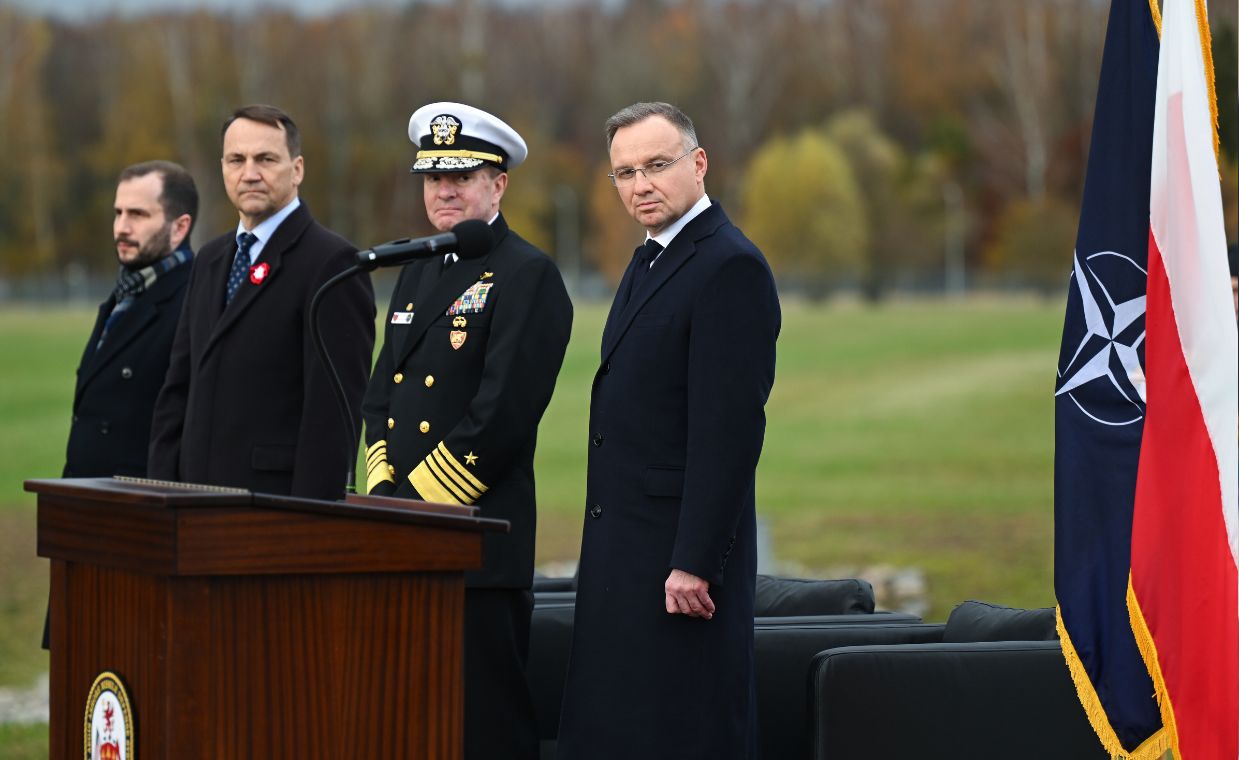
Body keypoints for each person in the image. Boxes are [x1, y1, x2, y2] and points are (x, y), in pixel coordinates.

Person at [556, 102, 781, 760]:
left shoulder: (727, 265)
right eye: (623, 173)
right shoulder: (650, 259)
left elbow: (729, 431)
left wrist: (693, 561)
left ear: (698, 163)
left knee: (680, 730)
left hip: (679, 569)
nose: (639, 185)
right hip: (625, 548)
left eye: (656, 166)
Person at [361, 102, 572, 760]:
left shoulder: (526, 273)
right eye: (433, 179)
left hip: (476, 543)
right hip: (401, 539)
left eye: (462, 177)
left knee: (483, 727)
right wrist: (380, 492)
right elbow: (380, 398)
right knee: (405, 723)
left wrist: (417, 508)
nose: (444, 191)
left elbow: (501, 415)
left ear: (498, 184)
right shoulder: (420, 269)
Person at [148, 104, 375, 500]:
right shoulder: (210, 258)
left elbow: (331, 419)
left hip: (271, 513)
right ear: (223, 168)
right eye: (236, 159)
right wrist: (160, 491)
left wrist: (305, 525)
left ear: (297, 169)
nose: (249, 173)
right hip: (190, 505)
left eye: (266, 159)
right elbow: (178, 390)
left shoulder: (333, 264)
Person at [64, 160, 198, 478]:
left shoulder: (196, 301)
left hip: (139, 505)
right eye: (118, 212)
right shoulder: (125, 293)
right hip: (84, 498)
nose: (121, 227)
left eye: (137, 214)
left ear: (179, 227)